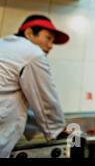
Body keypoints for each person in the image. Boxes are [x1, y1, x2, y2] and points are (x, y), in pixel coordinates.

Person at [0, 14, 70, 158]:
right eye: (48, 38)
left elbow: (13, 98)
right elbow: (45, 101)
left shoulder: (3, 44)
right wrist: (58, 130)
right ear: (29, 33)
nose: (51, 45)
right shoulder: (33, 53)